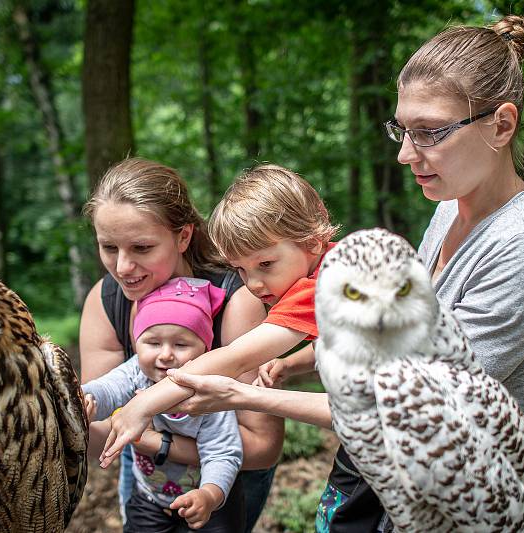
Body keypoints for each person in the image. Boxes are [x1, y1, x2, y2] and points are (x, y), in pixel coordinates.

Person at [164, 14, 524, 533]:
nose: (406, 153)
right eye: (402, 130)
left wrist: (244, 395)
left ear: (502, 125)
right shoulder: (449, 209)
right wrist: (303, 362)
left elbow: (412, 411)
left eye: (430, 132)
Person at [79, 157, 283, 531]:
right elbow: (94, 430)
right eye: (109, 247)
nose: (122, 266)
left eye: (141, 248)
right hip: (145, 474)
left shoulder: (236, 299)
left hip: (226, 478)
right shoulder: (106, 301)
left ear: (184, 236)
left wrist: (154, 442)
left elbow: (262, 446)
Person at [99, 164, 340, 462]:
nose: (253, 283)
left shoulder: (324, 284)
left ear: (312, 241)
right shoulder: (342, 268)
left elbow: (235, 357)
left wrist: (146, 402)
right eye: (240, 269)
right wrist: (291, 364)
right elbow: (347, 347)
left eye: (265, 264)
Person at [83, 277, 244, 532]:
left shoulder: (209, 391)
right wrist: (86, 398)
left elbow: (222, 451)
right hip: (149, 498)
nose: (165, 354)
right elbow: (109, 388)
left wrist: (209, 496)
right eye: (153, 343)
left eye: (180, 344)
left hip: (208, 503)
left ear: (204, 348)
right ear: (138, 343)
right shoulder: (138, 371)